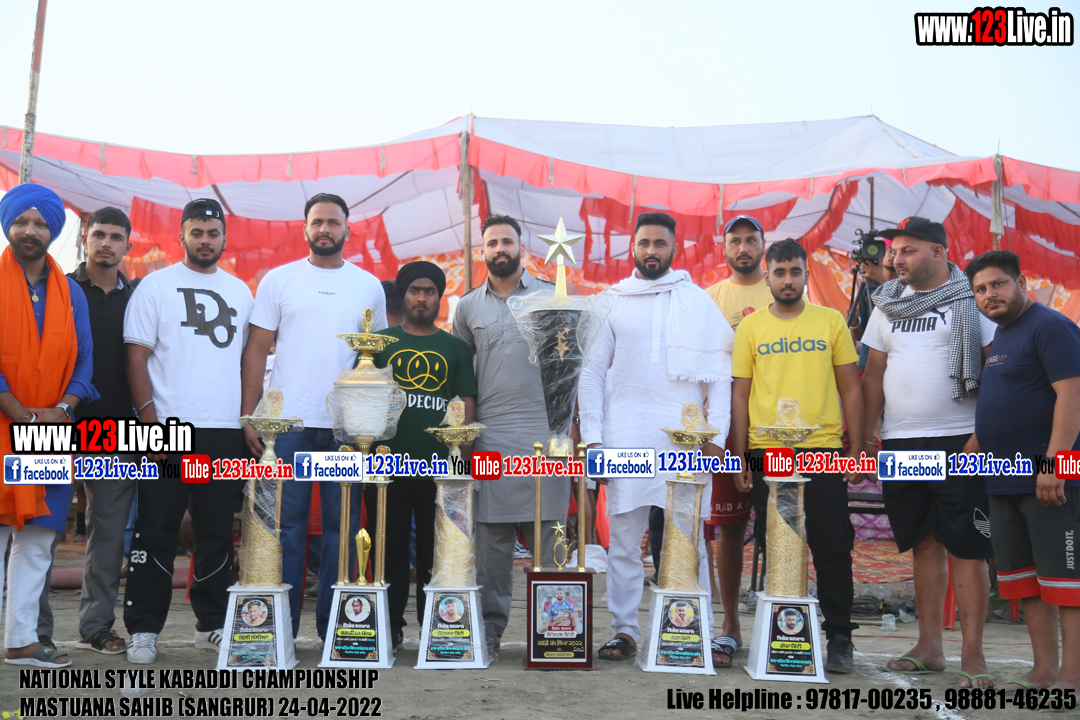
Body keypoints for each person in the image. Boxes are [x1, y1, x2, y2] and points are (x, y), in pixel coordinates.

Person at [578, 211, 733, 663]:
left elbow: (720, 377)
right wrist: (594, 439)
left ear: (674, 249)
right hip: (624, 434)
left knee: (688, 537)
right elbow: (590, 373)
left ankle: (692, 630)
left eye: (659, 243)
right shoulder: (612, 301)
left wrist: (717, 438)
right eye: (644, 243)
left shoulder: (697, 301)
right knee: (624, 540)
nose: (651, 251)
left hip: (685, 437)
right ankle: (625, 631)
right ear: (633, 248)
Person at [240, 193, 387, 640]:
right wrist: (250, 414)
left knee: (344, 529)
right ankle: (279, 629)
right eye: (317, 221)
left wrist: (373, 422)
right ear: (305, 228)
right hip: (288, 426)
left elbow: (377, 361)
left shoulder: (368, 286)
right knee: (285, 527)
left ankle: (336, 629)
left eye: (333, 222)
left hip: (348, 427)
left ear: (347, 230)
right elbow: (256, 349)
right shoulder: (279, 280)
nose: (325, 229)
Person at [861, 216, 997, 688]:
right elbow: (873, 375)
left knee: (967, 547)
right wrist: (865, 436)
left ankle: (973, 655)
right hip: (901, 440)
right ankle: (929, 647)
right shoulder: (887, 303)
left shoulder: (972, 299)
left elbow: (994, 371)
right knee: (922, 542)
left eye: (908, 250)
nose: (896, 258)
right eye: (894, 251)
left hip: (961, 439)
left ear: (938, 252)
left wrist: (983, 434)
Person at [123, 198, 253, 664]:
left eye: (212, 233)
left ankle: (211, 623)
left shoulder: (241, 291)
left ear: (224, 238)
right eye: (196, 232)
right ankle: (143, 628)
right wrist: (149, 423)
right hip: (168, 429)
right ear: (181, 236)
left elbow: (249, 361)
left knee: (216, 531)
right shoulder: (155, 286)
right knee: (156, 529)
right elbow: (136, 356)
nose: (205, 240)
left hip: (224, 430)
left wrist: (247, 419)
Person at [730, 238, 863, 673]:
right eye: (780, 273)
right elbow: (740, 394)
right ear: (767, 276)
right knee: (776, 545)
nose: (787, 280)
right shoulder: (750, 328)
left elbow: (851, 387)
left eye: (795, 272)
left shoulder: (831, 321)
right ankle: (783, 635)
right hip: (767, 453)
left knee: (832, 544)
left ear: (806, 274)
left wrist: (858, 447)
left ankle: (839, 637)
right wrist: (740, 454)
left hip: (822, 450)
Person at [965, 250, 1080, 695]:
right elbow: (1010, 398)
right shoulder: (1003, 334)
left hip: (1048, 479)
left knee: (1065, 580)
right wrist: (977, 442)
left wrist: (1055, 463)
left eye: (998, 284)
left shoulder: (1050, 327)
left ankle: (1072, 676)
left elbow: (1072, 396)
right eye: (980, 289)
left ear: (1021, 283)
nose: (989, 294)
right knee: (1024, 580)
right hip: (1002, 477)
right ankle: (1043, 671)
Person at [452, 214, 562, 660]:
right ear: (483, 251)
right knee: (491, 542)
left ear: (521, 247)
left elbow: (569, 371)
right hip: (490, 435)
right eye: (493, 243)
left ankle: (555, 629)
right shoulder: (467, 307)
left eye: (508, 242)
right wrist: (463, 440)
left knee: (550, 535)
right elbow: (462, 379)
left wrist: (570, 428)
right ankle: (491, 631)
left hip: (545, 434)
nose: (501, 249)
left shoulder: (551, 296)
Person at [0, 184, 98, 668]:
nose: (31, 231)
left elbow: (85, 360)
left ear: (53, 231)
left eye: (41, 223)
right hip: (1, 424)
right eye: (22, 221)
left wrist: (63, 407)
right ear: (8, 225)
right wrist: (13, 406)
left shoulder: (71, 292)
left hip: (52, 429)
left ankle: (21, 640)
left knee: (38, 541)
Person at [366, 261, 477, 650]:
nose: (421, 298)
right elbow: (362, 396)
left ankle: (437, 626)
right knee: (389, 551)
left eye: (430, 291)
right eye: (415, 291)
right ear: (404, 295)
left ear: (439, 298)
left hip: (439, 471)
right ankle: (390, 627)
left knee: (437, 552)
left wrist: (462, 458)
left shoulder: (455, 348)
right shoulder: (380, 343)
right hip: (387, 468)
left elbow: (466, 402)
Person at [65, 207, 140, 655]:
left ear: (128, 244)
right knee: (39, 533)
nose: (106, 243)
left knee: (109, 535)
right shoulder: (61, 290)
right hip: (57, 425)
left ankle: (96, 626)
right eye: (98, 235)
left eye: (115, 236)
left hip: (117, 433)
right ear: (85, 239)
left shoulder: (140, 299)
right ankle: (32, 631)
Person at [703, 214, 773, 665]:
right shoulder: (710, 299)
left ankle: (780, 624)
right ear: (724, 248)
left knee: (783, 526)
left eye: (751, 240)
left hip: (779, 425)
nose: (743, 247)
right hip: (728, 425)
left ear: (763, 245)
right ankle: (730, 626)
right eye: (735, 241)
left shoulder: (784, 288)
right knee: (729, 528)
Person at [847, 252, 889, 371]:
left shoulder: (909, 288)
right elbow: (861, 336)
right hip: (867, 363)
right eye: (891, 251)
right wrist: (854, 323)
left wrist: (882, 280)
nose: (893, 256)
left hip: (894, 364)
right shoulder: (867, 288)